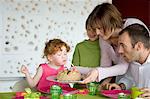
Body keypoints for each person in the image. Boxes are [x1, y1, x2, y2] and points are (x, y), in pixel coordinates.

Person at [81, 3, 150, 84]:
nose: (97, 32)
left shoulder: (131, 26)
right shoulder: (103, 38)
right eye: (95, 29)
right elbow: (105, 67)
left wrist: (97, 72)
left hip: (139, 80)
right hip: (123, 82)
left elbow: (123, 67)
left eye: (100, 28)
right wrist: (103, 85)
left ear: (111, 22)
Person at [106, 24, 150, 98]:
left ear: (139, 46)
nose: (119, 51)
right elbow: (130, 79)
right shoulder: (132, 60)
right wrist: (121, 86)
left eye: (123, 45)